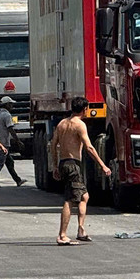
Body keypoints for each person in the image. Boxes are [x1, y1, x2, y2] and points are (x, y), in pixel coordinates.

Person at [48, 96, 109, 245]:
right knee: (70, 200)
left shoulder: (62, 124)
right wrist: (103, 165)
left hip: (64, 163)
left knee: (84, 196)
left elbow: (53, 145)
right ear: (84, 109)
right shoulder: (79, 125)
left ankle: (81, 230)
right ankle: (62, 235)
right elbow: (89, 147)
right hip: (73, 164)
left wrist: (55, 166)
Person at [0, 96, 25, 187]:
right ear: (7, 105)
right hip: (3, 143)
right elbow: (10, 129)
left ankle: (17, 180)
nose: (12, 106)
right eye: (11, 104)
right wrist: (18, 141)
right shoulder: (7, 115)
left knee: (9, 162)